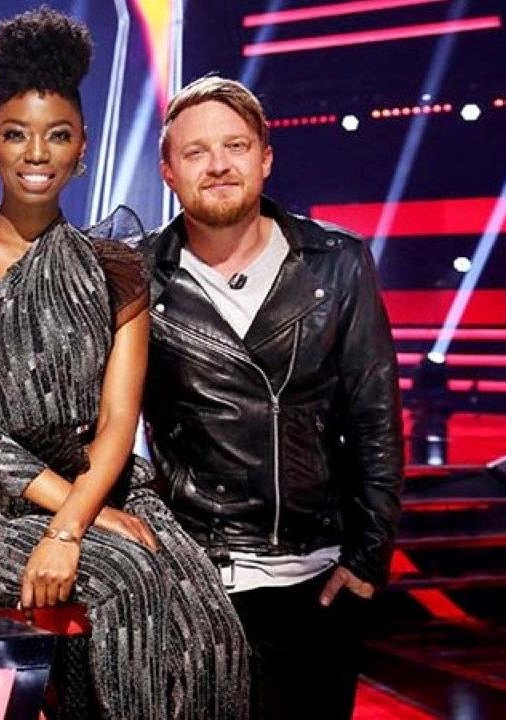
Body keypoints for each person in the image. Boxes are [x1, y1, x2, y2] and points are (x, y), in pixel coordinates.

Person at [0, 9, 247, 720]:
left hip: (103, 490)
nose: (37, 153)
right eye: (16, 134)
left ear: (82, 147)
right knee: (129, 577)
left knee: (207, 611)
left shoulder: (114, 265)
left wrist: (77, 518)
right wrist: (68, 524)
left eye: (58, 135)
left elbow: (119, 422)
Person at [140, 76, 403, 719]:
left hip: (317, 582)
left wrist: (369, 557)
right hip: (195, 582)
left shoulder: (336, 262)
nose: (218, 164)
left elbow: (375, 418)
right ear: (169, 171)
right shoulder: (135, 277)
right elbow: (105, 425)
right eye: (196, 151)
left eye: (235, 146)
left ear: (265, 158)